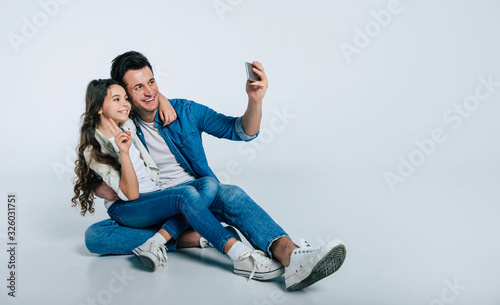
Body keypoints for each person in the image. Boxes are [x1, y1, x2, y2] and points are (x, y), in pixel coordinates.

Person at [86, 51, 347, 291]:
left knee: (229, 193)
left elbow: (240, 130)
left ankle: (292, 257)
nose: (149, 92)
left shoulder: (185, 111)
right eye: (138, 87)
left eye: (152, 82)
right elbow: (92, 143)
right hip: (152, 205)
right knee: (95, 236)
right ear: (123, 94)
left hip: (199, 196)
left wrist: (254, 101)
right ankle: (191, 237)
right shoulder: (121, 123)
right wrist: (100, 186)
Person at [72, 79, 283, 279]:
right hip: (128, 207)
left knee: (208, 183)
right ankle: (240, 255)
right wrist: (122, 153)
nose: (125, 104)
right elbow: (132, 194)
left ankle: (156, 241)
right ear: (99, 107)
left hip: (153, 198)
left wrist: (162, 100)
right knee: (95, 236)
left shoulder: (126, 122)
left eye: (125, 98)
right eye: (117, 99)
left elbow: (145, 96)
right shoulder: (94, 148)